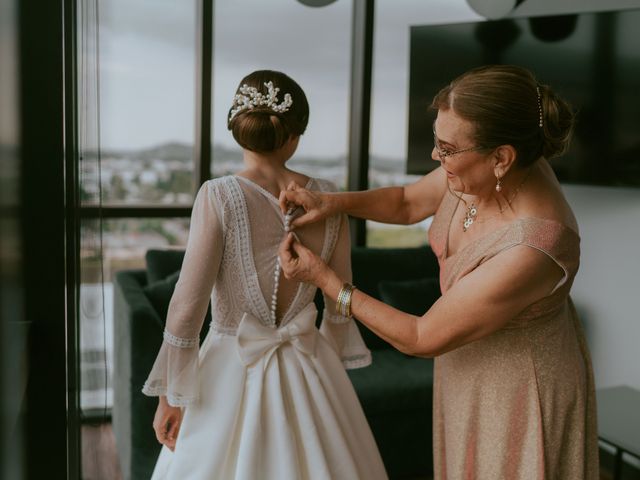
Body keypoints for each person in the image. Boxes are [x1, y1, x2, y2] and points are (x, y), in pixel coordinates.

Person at [278, 65, 599, 479]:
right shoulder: (481, 168)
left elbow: (421, 336)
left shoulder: (534, 247)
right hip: (466, 365)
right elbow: (408, 202)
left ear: (501, 157)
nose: (436, 157)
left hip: (519, 389)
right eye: (437, 142)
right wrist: (332, 203)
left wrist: (325, 280)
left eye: (446, 149)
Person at [142, 70, 387, 480]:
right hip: (310, 361)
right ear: (295, 135)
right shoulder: (328, 199)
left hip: (227, 366)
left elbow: (188, 306)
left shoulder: (218, 195)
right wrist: (327, 355)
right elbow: (339, 296)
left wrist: (172, 395)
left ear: (238, 130)